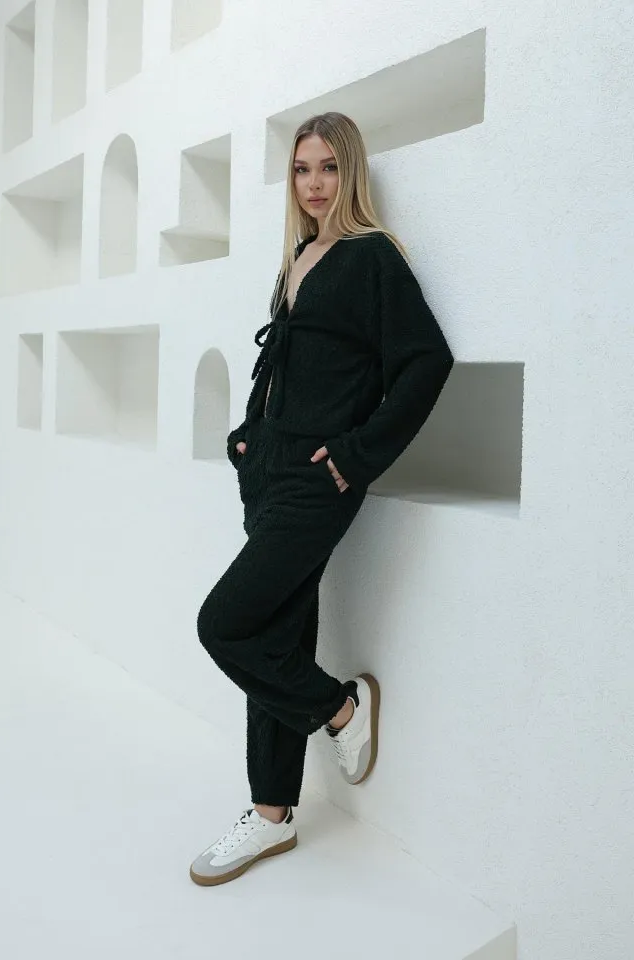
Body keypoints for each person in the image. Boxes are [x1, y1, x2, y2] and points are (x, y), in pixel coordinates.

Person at [190, 112, 454, 886]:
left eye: (329, 168)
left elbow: (426, 362)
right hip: (269, 468)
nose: (314, 183)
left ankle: (340, 709)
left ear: (352, 173)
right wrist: (247, 436)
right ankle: (272, 816)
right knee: (275, 631)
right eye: (303, 169)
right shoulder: (298, 258)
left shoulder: (372, 258)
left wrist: (354, 458)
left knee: (225, 624)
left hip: (317, 478)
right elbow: (286, 364)